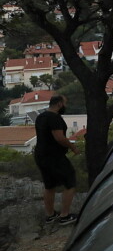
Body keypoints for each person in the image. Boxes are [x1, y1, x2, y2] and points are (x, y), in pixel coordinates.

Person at [33, 94, 78, 225]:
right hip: (54, 156)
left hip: (41, 155)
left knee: (49, 185)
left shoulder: (40, 117)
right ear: (59, 104)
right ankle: (65, 216)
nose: (66, 106)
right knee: (70, 181)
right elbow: (59, 138)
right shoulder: (55, 118)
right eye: (65, 103)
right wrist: (72, 147)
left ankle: (50, 215)